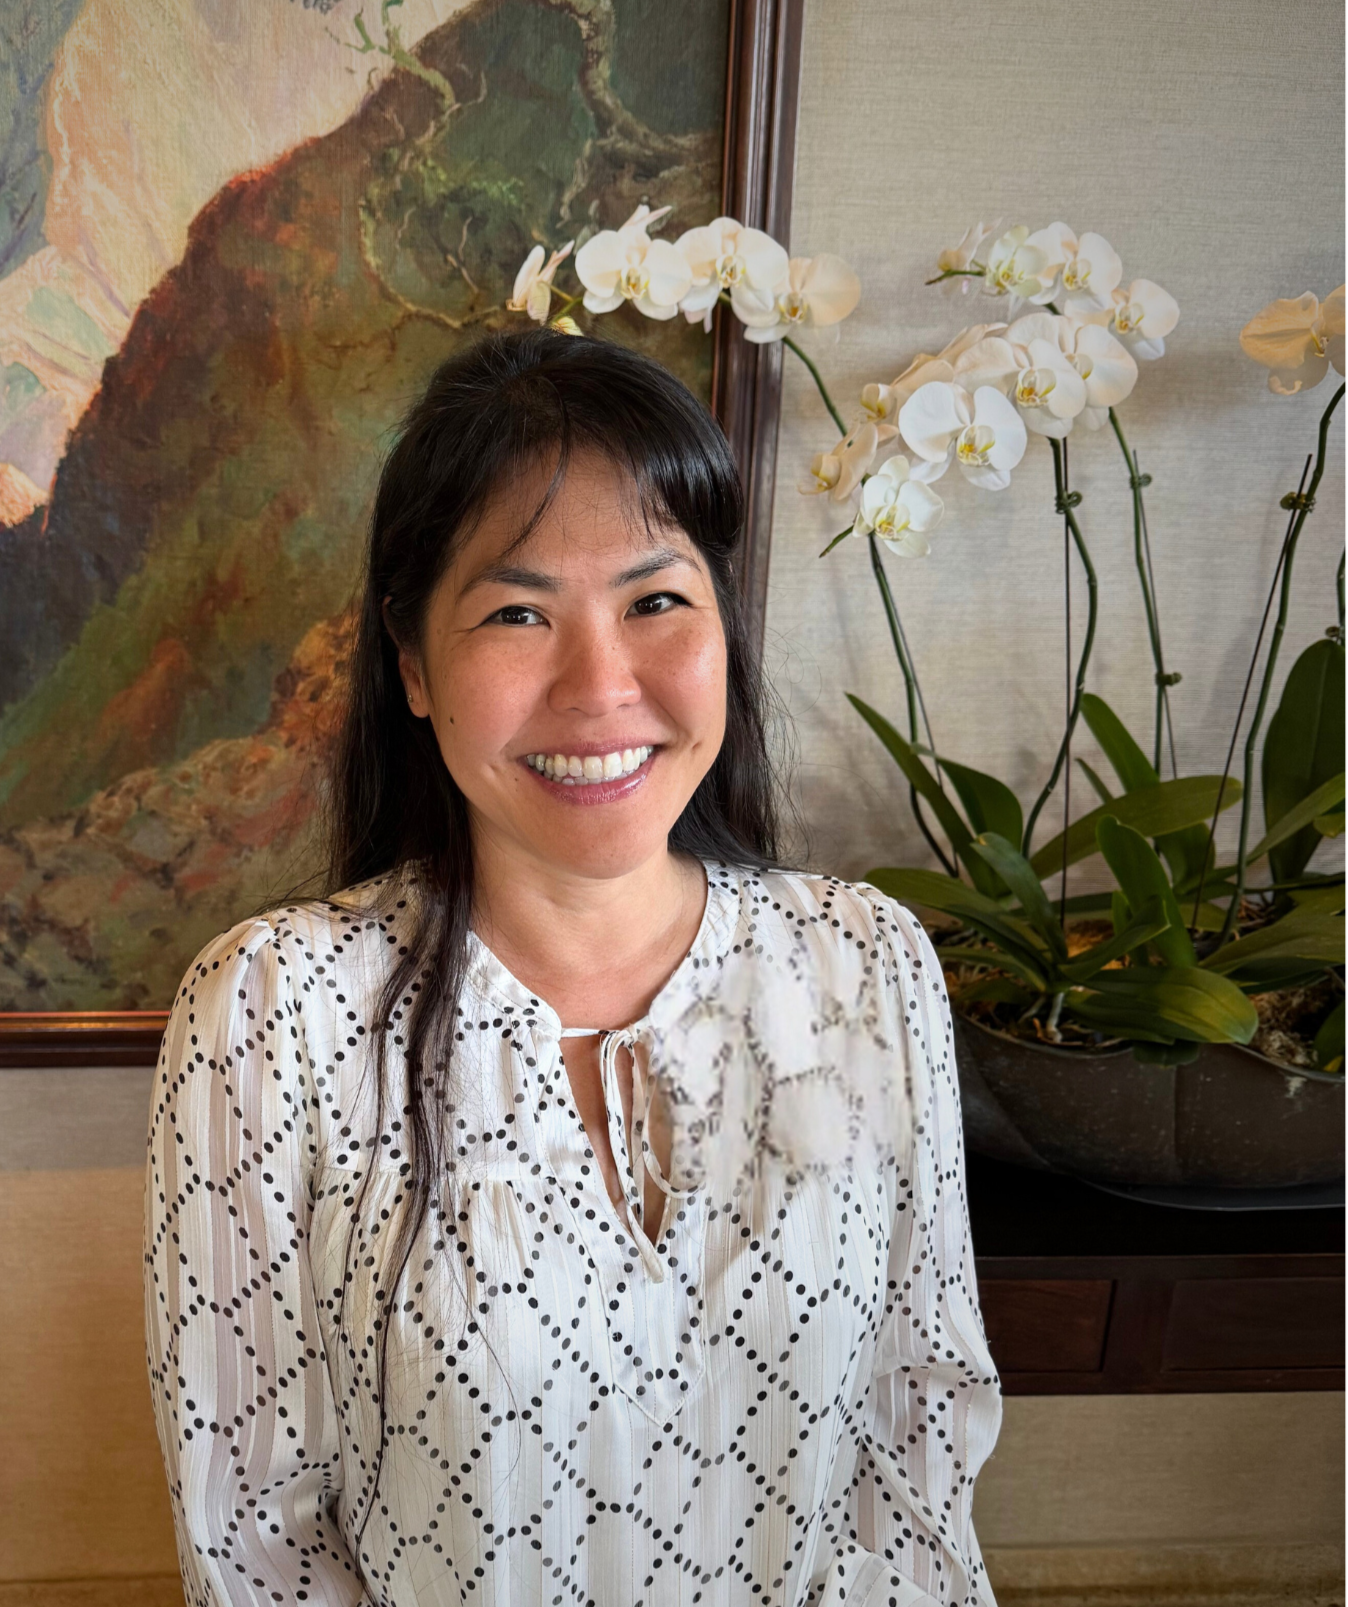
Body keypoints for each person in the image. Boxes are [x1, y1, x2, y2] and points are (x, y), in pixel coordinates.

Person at [143, 326, 1003, 1606]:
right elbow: (255, 1536)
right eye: (517, 613)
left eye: (655, 602)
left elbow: (915, 1448)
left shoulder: (866, 969)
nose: (601, 687)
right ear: (413, 664)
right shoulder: (273, 1012)